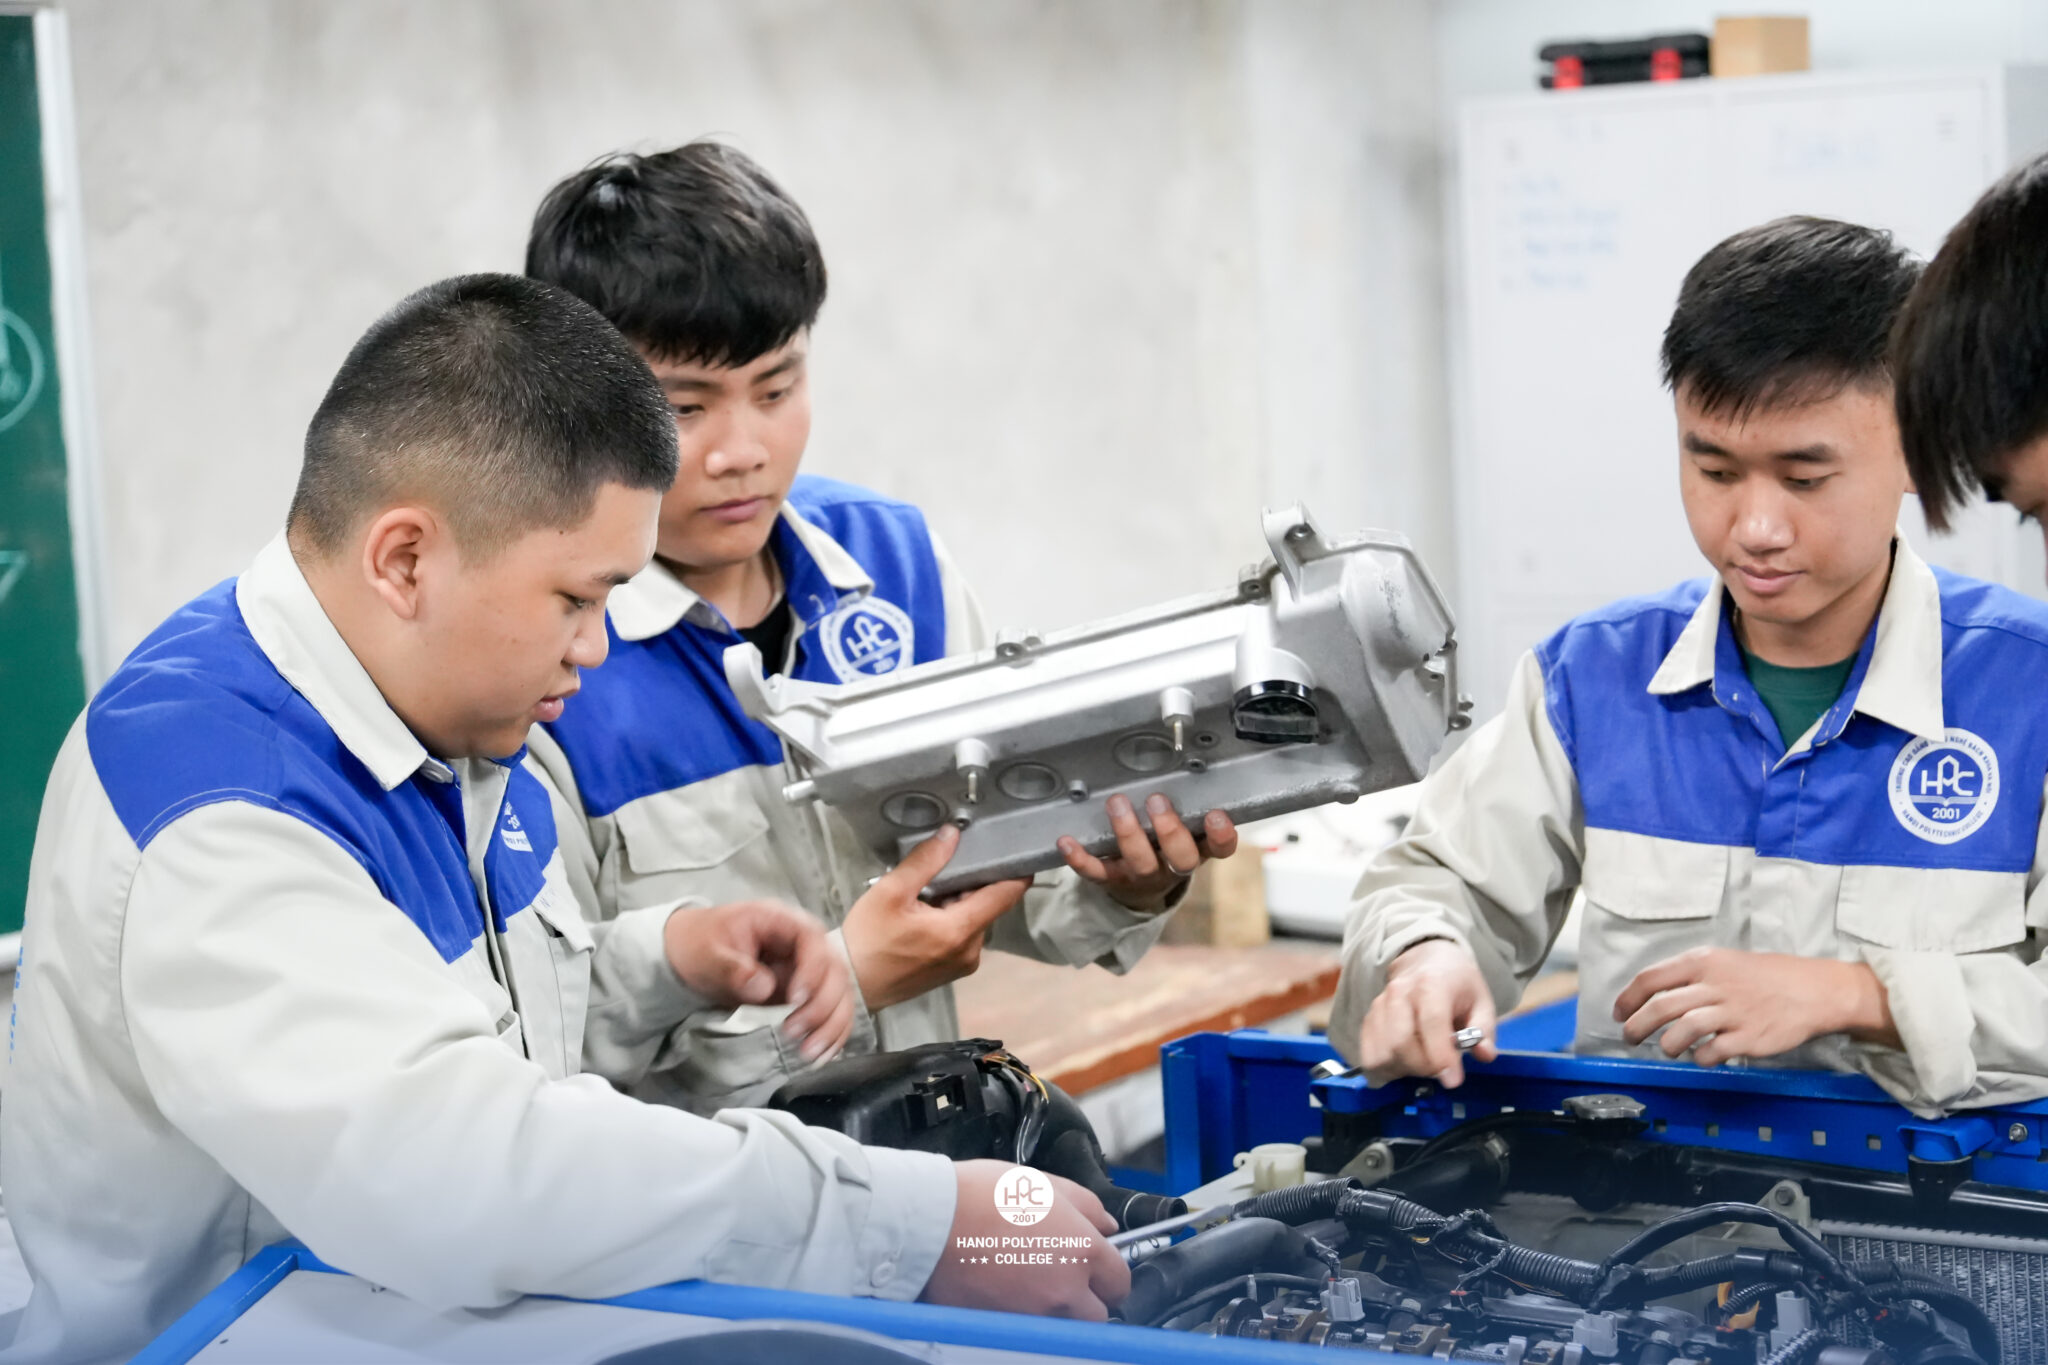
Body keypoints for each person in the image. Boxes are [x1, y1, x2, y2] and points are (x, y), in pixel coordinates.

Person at [0, 275, 1127, 1365]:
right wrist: (905, 1225)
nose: (594, 647)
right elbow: (462, 1173)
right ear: (404, 559)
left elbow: (481, 1027)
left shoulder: (433, 704)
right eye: (575, 599)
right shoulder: (219, 805)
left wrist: (662, 963)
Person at [522, 141, 1238, 1112]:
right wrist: (845, 979)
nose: (744, 451)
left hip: (922, 1161)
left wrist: (1124, 883)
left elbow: (1021, 883)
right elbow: (551, 1043)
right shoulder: (542, 662)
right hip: (700, 1194)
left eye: (777, 390)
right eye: (685, 409)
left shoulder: (898, 573)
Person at [1329, 215, 2048, 1117]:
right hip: (1635, 1197)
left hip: (1933, 1202)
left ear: (1915, 448)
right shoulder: (1593, 681)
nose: (1755, 528)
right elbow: (1439, 883)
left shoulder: (2026, 691)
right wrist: (1422, 958)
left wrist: (1862, 996)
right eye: (1714, 470)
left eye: (1804, 478)